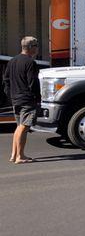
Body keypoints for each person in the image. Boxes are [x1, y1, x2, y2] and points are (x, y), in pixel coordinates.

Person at [3, 36, 41, 164]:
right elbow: (33, 83)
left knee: (19, 126)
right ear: (30, 47)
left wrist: (10, 95)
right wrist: (38, 99)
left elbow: (6, 80)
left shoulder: (12, 61)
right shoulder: (30, 63)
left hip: (16, 99)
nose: (37, 48)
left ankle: (14, 155)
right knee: (23, 127)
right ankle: (20, 156)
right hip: (27, 100)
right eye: (36, 46)